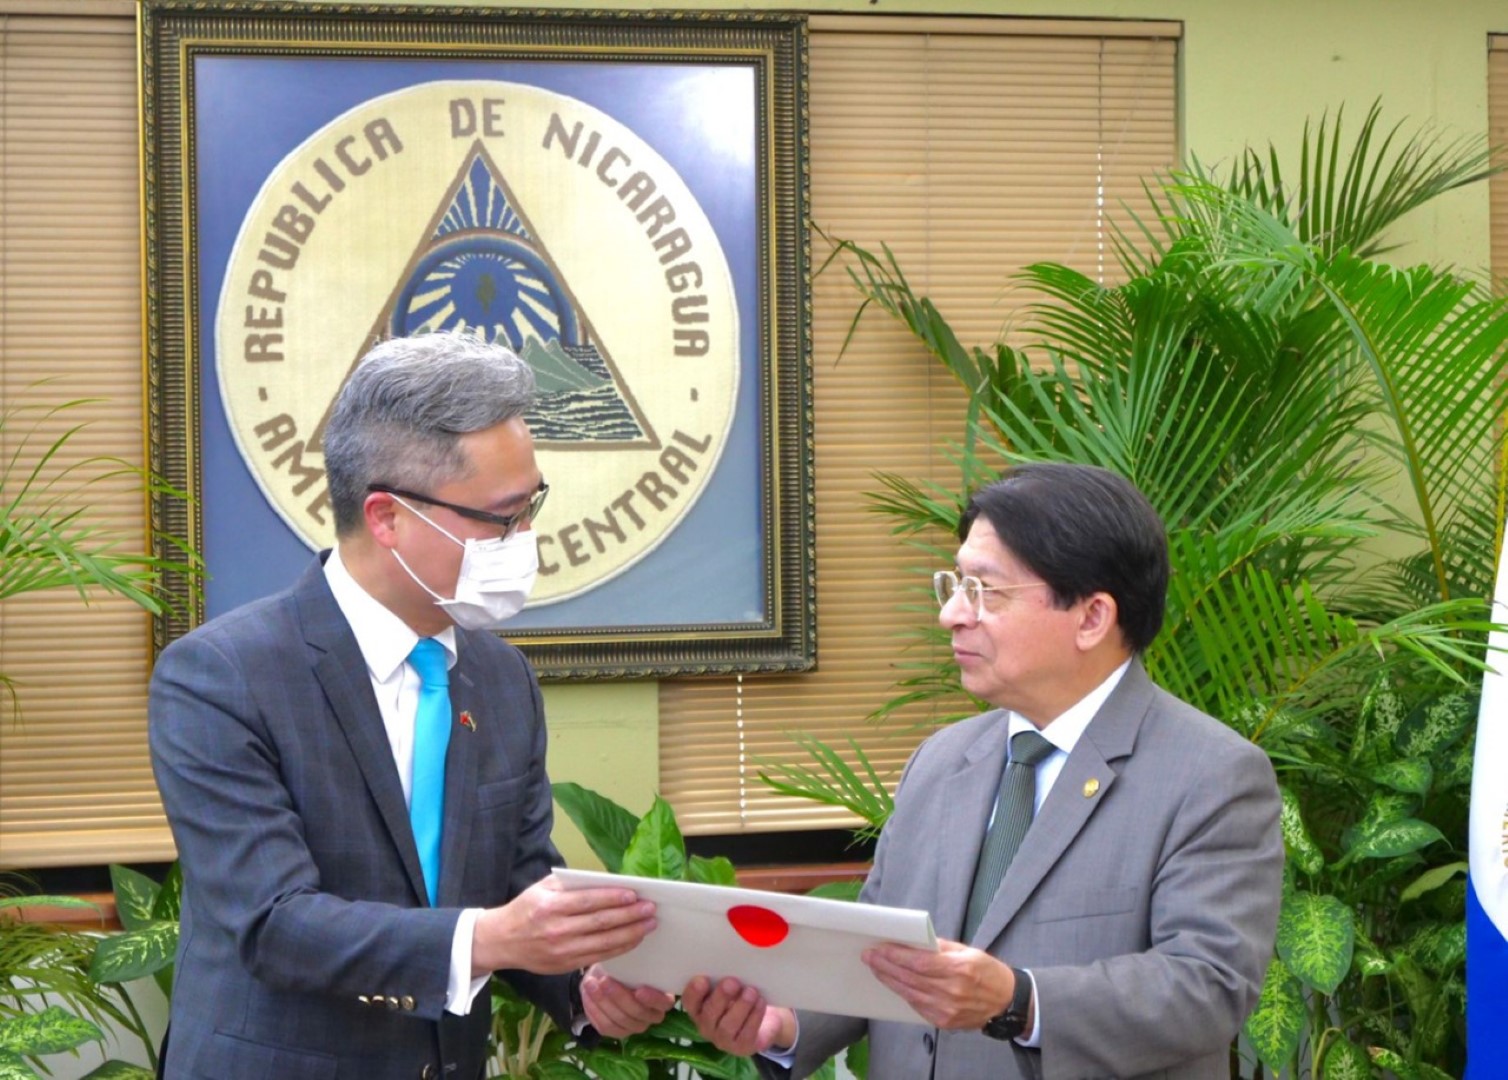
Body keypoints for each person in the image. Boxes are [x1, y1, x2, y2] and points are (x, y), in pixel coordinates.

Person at [149, 330, 673, 1079]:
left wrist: (586, 986)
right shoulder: (221, 676)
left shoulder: (501, 680)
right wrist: (490, 939)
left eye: (532, 508)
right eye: (500, 518)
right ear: (388, 518)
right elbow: (274, 924)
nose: (525, 540)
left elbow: (518, 882)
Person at [683, 462, 1285, 1079]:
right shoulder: (940, 761)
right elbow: (878, 958)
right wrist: (784, 1026)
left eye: (985, 591)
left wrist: (1019, 1002)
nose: (952, 616)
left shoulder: (1210, 775)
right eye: (954, 585)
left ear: (1091, 618)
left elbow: (1208, 987)